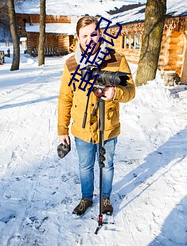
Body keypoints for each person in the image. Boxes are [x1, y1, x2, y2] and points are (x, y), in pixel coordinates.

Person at [57, 16, 135, 216]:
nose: (89, 39)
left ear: (100, 34)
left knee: (107, 164)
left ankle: (106, 198)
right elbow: (65, 98)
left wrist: (115, 93)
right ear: (78, 38)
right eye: (85, 36)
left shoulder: (116, 59)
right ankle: (86, 198)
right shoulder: (71, 64)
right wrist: (62, 130)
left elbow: (130, 91)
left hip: (108, 125)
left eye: (93, 34)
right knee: (85, 166)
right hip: (82, 128)